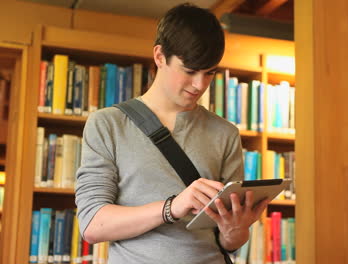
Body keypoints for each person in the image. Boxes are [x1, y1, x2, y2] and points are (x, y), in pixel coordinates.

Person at [75, 3, 270, 263]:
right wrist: (171, 207)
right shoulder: (107, 124)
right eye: (189, 71)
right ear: (159, 56)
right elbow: (91, 225)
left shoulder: (226, 134)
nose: (199, 85)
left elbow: (229, 243)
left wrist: (236, 229)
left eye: (209, 73)